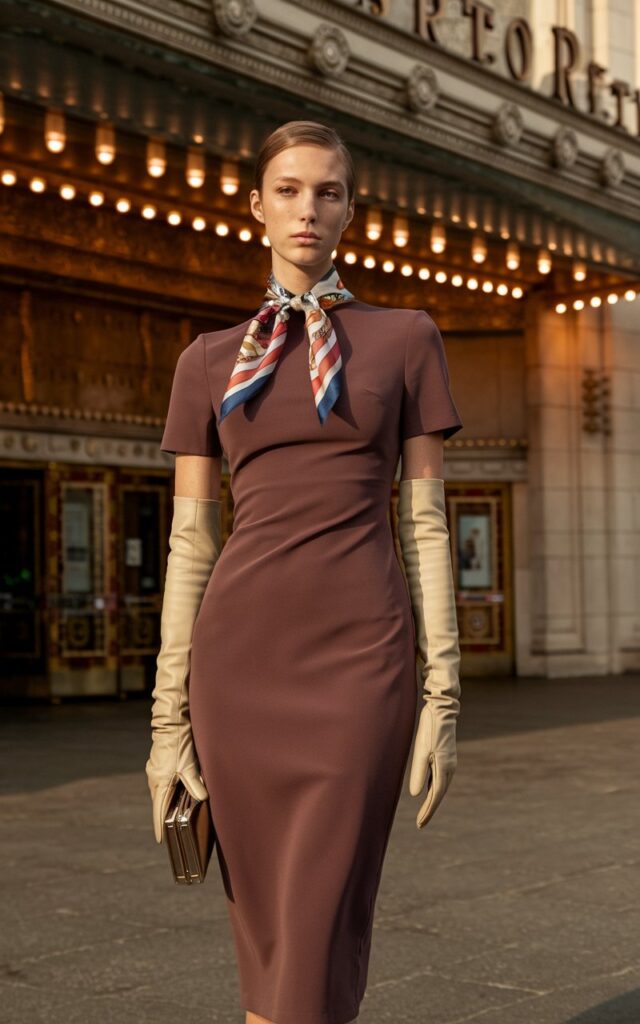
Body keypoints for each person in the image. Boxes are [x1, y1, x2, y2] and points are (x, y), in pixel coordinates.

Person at [146, 120, 463, 1024]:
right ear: (256, 208)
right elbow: (191, 545)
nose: (307, 208)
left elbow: (428, 524)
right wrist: (168, 723)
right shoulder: (207, 361)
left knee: (322, 921)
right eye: (288, 189)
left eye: (327, 191)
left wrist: (442, 696)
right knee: (270, 940)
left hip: (361, 662)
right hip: (240, 667)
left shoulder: (406, 339)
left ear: (351, 210)